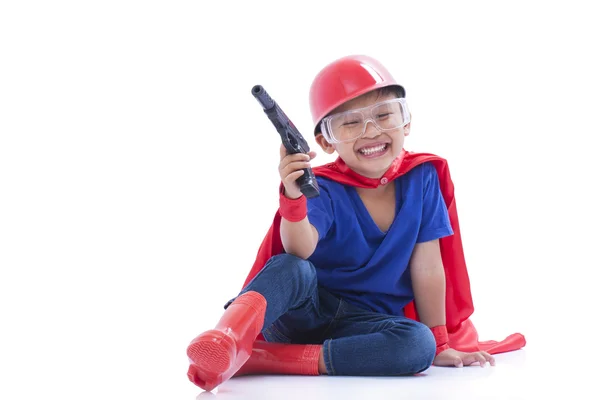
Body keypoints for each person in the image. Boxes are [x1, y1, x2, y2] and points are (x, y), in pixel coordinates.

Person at [185, 55, 526, 392]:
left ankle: (263, 359)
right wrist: (293, 199)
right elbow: (299, 249)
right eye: (349, 123)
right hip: (305, 311)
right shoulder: (322, 187)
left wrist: (439, 343)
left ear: (406, 122)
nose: (371, 132)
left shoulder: (422, 178)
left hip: (365, 326)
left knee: (416, 345)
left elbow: (428, 266)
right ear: (325, 141)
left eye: (384, 115)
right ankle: (228, 339)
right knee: (291, 267)